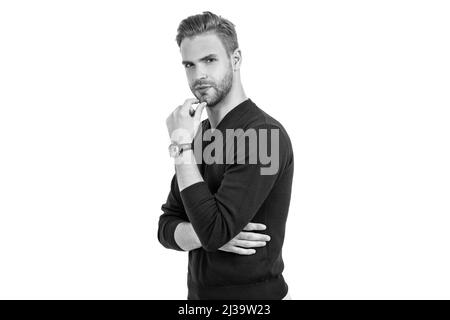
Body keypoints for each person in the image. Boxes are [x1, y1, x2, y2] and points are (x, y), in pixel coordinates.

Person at [158, 11, 294, 300]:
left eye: (209, 60)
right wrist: (208, 236)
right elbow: (166, 227)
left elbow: (213, 231)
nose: (198, 76)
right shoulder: (201, 135)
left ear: (235, 60)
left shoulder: (264, 136)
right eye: (189, 65)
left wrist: (181, 145)